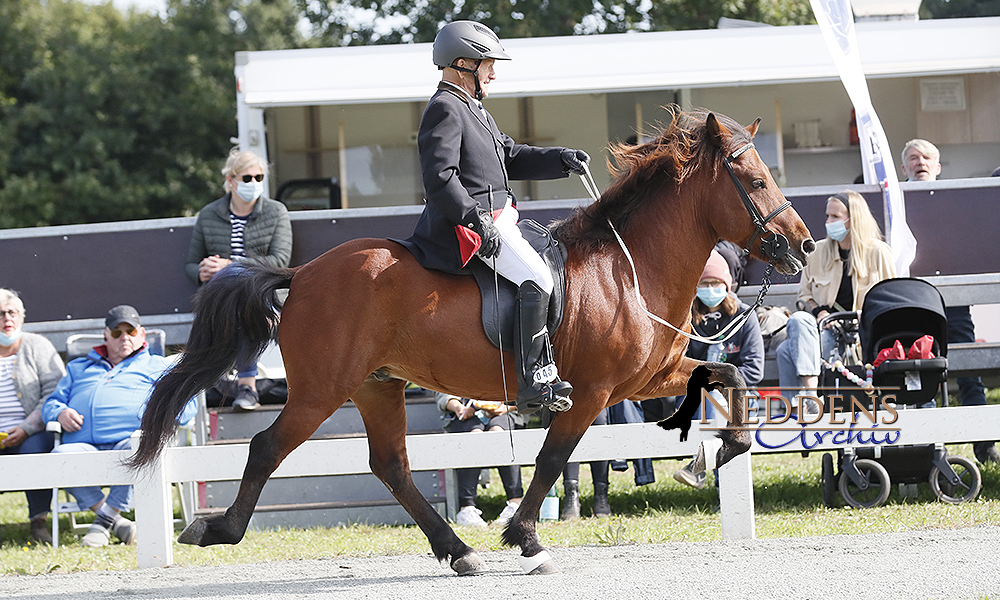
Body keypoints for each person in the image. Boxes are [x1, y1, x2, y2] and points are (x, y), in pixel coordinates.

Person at [400, 21, 591, 415]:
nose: (493, 72)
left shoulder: (475, 109)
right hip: (467, 227)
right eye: (487, 63)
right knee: (536, 277)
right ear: (463, 63)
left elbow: (510, 156)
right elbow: (440, 179)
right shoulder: (445, 108)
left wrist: (560, 159)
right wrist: (474, 220)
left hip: (498, 217)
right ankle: (534, 377)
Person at [42, 305, 197, 547]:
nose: (124, 337)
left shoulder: (158, 366)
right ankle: (116, 523)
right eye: (117, 332)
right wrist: (60, 412)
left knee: (137, 447)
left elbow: (188, 405)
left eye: (131, 331)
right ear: (106, 335)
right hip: (83, 445)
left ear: (142, 334)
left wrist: (160, 417)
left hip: (131, 440)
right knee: (58, 457)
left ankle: (102, 523)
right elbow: (51, 403)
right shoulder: (78, 367)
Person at [901, 139, 998, 463]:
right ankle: (929, 448)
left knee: (970, 372)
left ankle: (984, 445)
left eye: (927, 157)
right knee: (919, 371)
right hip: (913, 300)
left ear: (938, 167)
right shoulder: (896, 204)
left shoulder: (957, 201)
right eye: (913, 158)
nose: (921, 162)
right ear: (904, 168)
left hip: (955, 300)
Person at [185, 148, 292, 411]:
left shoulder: (275, 211)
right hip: (219, 296)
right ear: (231, 180)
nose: (254, 184)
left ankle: (246, 386)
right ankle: (247, 388)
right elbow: (189, 264)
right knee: (234, 297)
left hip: (262, 292)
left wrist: (230, 265)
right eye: (247, 178)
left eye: (259, 178)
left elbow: (279, 261)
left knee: (241, 297)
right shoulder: (209, 215)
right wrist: (202, 271)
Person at [776, 190, 895, 411]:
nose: (828, 222)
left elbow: (891, 298)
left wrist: (865, 316)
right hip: (824, 330)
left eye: (835, 217)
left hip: (862, 334)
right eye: (828, 216)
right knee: (799, 320)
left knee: (785, 350)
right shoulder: (817, 251)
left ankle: (793, 410)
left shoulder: (879, 252)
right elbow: (804, 297)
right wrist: (820, 312)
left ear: (854, 219)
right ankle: (811, 396)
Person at [673, 251, 764, 489]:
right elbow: (679, 365)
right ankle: (721, 485)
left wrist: (720, 385)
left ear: (726, 284)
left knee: (715, 397)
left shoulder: (744, 316)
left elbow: (754, 369)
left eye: (716, 283)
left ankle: (700, 470)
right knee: (711, 397)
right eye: (704, 283)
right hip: (693, 400)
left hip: (741, 398)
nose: (711, 288)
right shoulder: (686, 318)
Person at [0, 289, 66, 545]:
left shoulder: (38, 346)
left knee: (34, 452)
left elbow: (54, 393)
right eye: (1, 313)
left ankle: (38, 522)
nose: (7, 318)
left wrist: (26, 428)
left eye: (12, 312)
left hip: (31, 432)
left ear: (21, 317)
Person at [435, 392, 524, 527]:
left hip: (505, 412)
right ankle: (466, 508)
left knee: (499, 434)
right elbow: (443, 395)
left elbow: (526, 397)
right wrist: (458, 407)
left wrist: (507, 407)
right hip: (466, 413)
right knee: (474, 437)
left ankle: (515, 503)